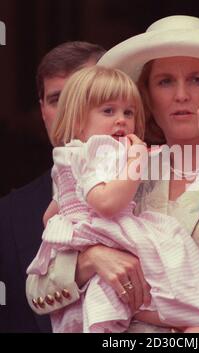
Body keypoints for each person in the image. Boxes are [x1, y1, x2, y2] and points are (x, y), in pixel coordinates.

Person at [26, 15, 199, 333]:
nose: (181, 94)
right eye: (165, 81)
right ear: (147, 97)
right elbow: (36, 290)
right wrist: (91, 260)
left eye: (197, 79)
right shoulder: (120, 167)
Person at [27, 65, 199, 333]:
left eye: (128, 112)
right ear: (78, 119)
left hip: (97, 242)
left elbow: (51, 216)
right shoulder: (101, 151)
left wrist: (71, 234)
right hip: (112, 234)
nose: (121, 120)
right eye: (108, 111)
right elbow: (107, 204)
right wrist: (137, 160)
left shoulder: (68, 157)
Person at [0, 41, 105, 333]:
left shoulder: (158, 185)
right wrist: (85, 265)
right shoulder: (7, 218)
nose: (72, 113)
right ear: (43, 111)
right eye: (58, 99)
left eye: (85, 96)